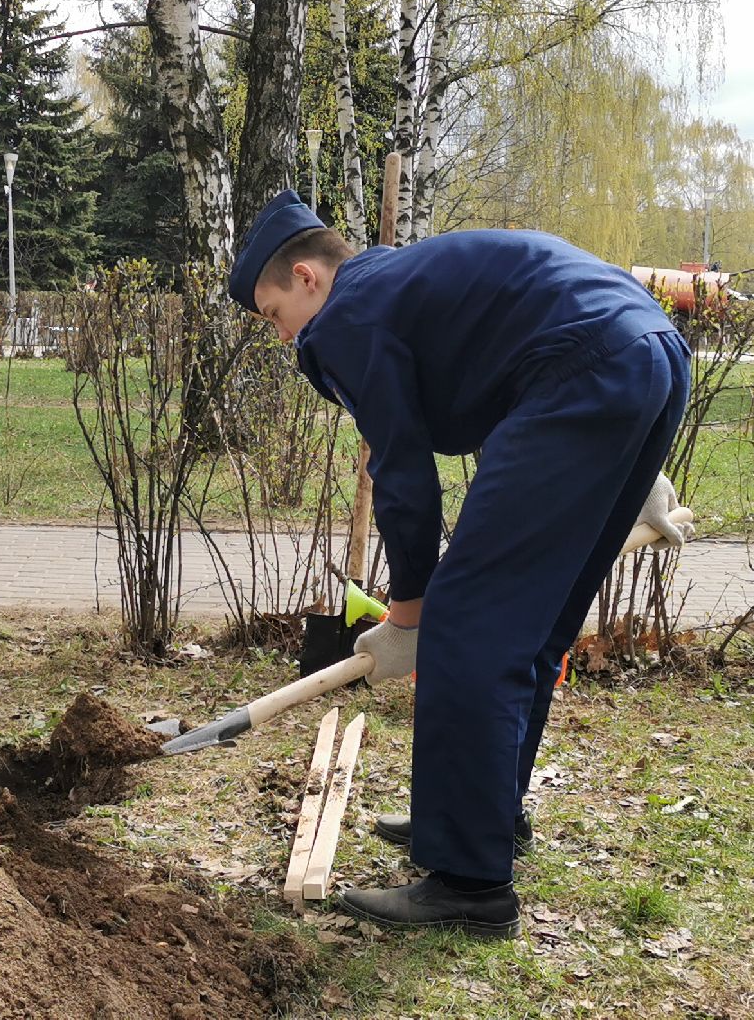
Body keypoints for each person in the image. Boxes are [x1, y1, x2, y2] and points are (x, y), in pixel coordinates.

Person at [228, 189, 690, 938]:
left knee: (467, 630)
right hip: (646, 353)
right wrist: (631, 464)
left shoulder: (349, 315)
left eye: (274, 314)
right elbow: (535, 343)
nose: (284, 339)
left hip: (585, 371)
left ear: (307, 278)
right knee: (529, 627)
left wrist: (410, 615)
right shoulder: (401, 286)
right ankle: (486, 816)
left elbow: (405, 480)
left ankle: (469, 885)